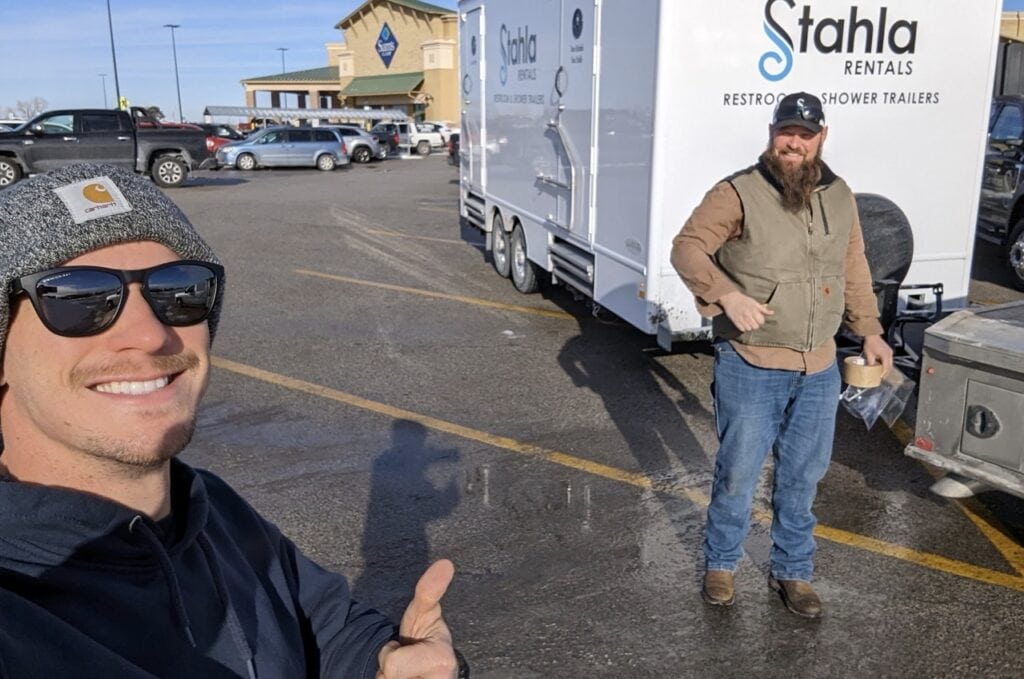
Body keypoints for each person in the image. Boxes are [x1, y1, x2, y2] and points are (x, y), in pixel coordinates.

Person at [0, 163, 464, 678]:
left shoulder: (213, 511)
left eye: (178, 290)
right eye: (77, 297)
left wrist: (384, 658)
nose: (151, 334)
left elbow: (321, 624)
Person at [671, 92, 893, 619]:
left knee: (803, 477)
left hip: (818, 366)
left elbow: (854, 266)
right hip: (751, 362)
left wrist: (870, 331)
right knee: (738, 472)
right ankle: (721, 564)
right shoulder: (738, 192)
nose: (793, 142)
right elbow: (687, 248)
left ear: (822, 137)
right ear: (772, 132)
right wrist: (726, 295)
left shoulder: (841, 196)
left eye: (805, 133)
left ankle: (794, 572)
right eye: (785, 131)